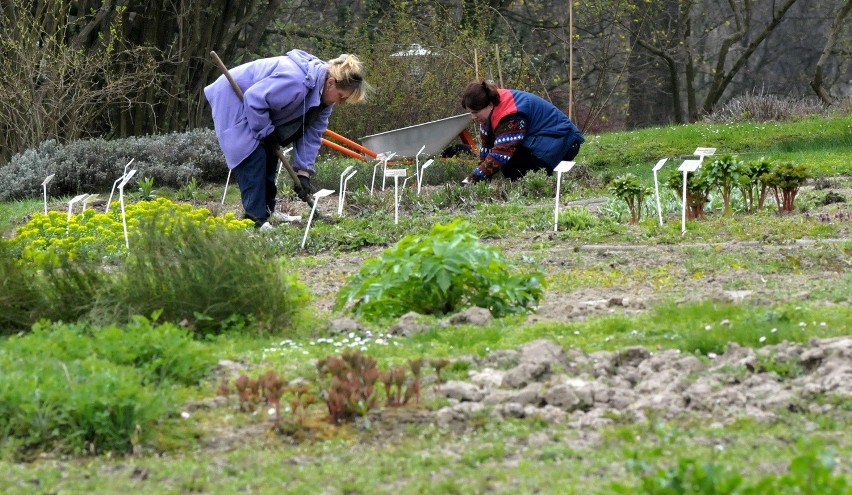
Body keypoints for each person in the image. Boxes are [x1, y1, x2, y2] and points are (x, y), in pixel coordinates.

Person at [205, 50, 370, 228]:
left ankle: (267, 211)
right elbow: (254, 99)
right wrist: (266, 132)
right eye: (342, 97)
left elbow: (312, 135)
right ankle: (254, 219)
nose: (341, 103)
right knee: (252, 155)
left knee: (270, 154)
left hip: (256, 103)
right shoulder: (296, 81)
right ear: (331, 83)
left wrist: (304, 173)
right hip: (233, 96)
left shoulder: (324, 102)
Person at [459, 80, 584, 184]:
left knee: (516, 170)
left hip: (563, 141)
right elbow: (486, 146)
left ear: (490, 105)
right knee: (510, 169)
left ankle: (536, 188)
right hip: (541, 140)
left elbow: (502, 153)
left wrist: (473, 178)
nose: (473, 117)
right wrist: (481, 176)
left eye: (475, 112)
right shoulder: (487, 114)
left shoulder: (511, 115)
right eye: (470, 112)